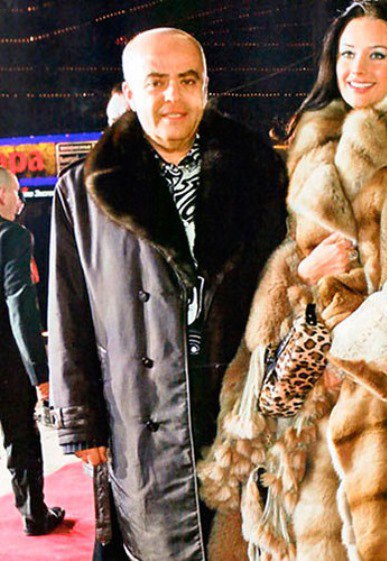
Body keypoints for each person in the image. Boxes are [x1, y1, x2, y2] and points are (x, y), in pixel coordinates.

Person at [199, 2, 387, 560]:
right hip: (310, 387)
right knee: (313, 536)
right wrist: (302, 277)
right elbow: (293, 251)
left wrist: (345, 355)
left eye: (378, 54)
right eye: (348, 53)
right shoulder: (311, 143)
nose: (359, 68)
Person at [48, 28, 287, 561]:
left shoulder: (259, 173)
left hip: (239, 410)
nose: (173, 96)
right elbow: (68, 313)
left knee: (240, 543)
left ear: (207, 88)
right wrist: (80, 421)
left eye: (187, 80)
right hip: (139, 411)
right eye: (156, 82)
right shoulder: (83, 190)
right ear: (131, 94)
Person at [0, 166, 65, 535]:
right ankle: (33, 515)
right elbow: (20, 308)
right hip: (7, 363)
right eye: (17, 193)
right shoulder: (13, 236)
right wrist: (40, 372)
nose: (21, 201)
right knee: (21, 436)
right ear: (1, 196)